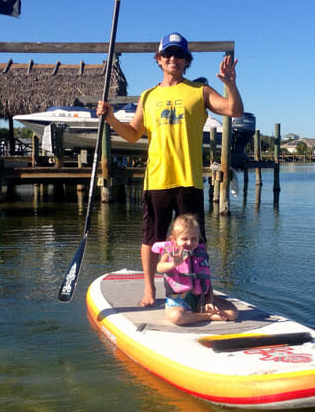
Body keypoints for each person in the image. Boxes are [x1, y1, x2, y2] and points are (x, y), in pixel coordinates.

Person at [96, 32, 244, 306]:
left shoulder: (199, 91)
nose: (173, 59)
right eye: (168, 54)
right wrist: (111, 119)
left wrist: (230, 85)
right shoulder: (148, 96)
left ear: (187, 60)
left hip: (189, 179)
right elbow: (131, 134)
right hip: (157, 180)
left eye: (179, 55)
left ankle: (203, 289)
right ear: (160, 60)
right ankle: (150, 289)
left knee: (196, 241)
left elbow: (234, 110)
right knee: (151, 238)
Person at [152, 214, 238, 325]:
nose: (189, 243)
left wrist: (209, 301)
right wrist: (173, 263)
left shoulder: (200, 253)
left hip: (201, 299)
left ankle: (203, 311)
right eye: (184, 239)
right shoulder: (170, 250)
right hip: (178, 301)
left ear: (198, 237)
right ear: (174, 239)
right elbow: (160, 268)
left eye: (194, 239)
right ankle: (206, 317)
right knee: (176, 318)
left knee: (233, 314)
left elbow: (207, 282)